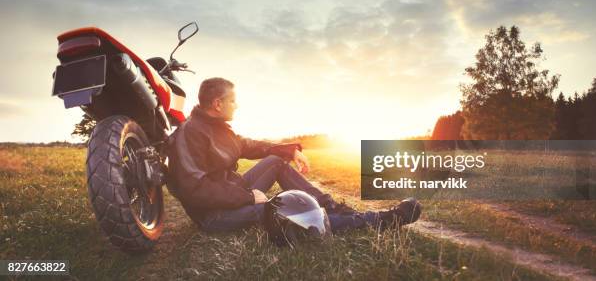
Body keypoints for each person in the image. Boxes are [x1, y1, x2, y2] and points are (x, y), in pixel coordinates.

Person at [166, 77, 421, 234]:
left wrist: (290, 150)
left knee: (276, 162)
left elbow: (248, 144)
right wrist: (247, 196)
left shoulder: (217, 126)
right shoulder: (190, 133)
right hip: (215, 215)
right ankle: (376, 221)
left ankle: (331, 206)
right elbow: (195, 190)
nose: (237, 105)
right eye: (233, 101)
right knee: (285, 209)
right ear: (217, 104)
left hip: (233, 193)